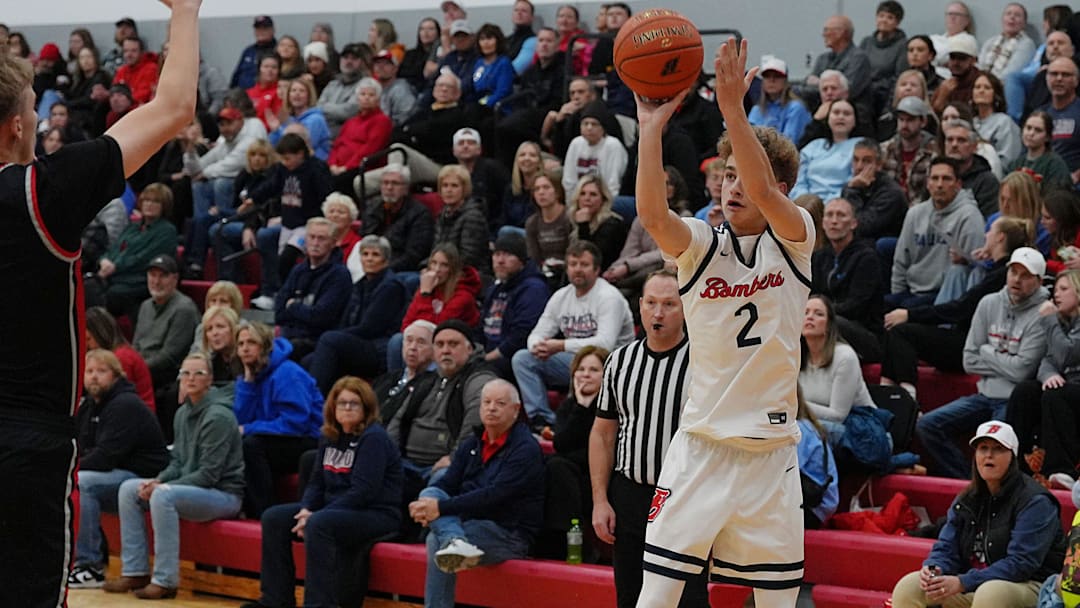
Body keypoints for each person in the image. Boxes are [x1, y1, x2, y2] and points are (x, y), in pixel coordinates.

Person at [633, 37, 815, 605]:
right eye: (726, 175)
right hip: (702, 449)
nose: (734, 186)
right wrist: (650, 131)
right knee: (655, 601)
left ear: (782, 190)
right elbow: (652, 214)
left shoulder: (796, 238)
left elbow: (763, 187)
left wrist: (734, 107)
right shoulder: (702, 245)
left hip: (772, 456)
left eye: (744, 176)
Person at [589, 270, 708, 608]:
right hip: (629, 492)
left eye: (669, 304)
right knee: (630, 594)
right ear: (639, 306)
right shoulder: (619, 361)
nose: (658, 313)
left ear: (686, 307)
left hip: (685, 496)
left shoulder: (704, 361)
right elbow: (602, 433)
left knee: (688, 598)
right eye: (652, 303)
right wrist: (600, 499)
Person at [249, 376, 402, 608]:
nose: (347, 408)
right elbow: (316, 483)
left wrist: (315, 516)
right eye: (342, 403)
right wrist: (305, 509)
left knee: (319, 524)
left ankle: (319, 604)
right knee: (273, 518)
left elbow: (363, 492)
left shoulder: (374, 438)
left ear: (367, 408)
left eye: (354, 403)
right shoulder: (330, 436)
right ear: (333, 407)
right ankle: (275, 600)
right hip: (337, 508)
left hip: (377, 513)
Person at [106, 353, 245, 599]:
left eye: (198, 373)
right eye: (185, 373)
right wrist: (159, 479)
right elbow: (178, 461)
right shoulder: (182, 413)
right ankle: (135, 570)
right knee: (129, 489)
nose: (190, 379)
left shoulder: (218, 417)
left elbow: (209, 475)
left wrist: (163, 487)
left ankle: (165, 580)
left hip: (224, 495)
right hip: (191, 488)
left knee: (162, 496)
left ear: (210, 380)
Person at [890, 420, 1067, 607]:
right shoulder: (966, 499)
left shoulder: (1035, 501)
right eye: (983, 448)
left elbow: (1021, 563)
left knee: (991, 593)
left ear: (1012, 457)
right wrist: (935, 568)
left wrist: (963, 582)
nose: (989, 455)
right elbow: (946, 547)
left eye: (998, 449)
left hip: (1029, 585)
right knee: (910, 587)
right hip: (974, 584)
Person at [409, 379, 544, 608]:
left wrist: (438, 509)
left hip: (509, 534)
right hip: (469, 523)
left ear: (515, 410)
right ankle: (455, 540)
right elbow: (448, 484)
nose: (491, 408)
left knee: (435, 539)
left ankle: (453, 540)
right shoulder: (472, 443)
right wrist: (427, 503)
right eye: (486, 402)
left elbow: (494, 496)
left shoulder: (526, 449)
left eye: (500, 403)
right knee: (432, 488)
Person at [916, 247, 1049, 479]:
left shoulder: (1043, 314)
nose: (1017, 280)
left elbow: (1021, 372)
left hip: (1012, 400)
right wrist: (1005, 361)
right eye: (1013, 272)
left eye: (1025, 275)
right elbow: (968, 360)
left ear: (1038, 281)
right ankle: (966, 481)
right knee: (927, 425)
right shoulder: (989, 303)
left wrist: (986, 350)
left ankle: (984, 486)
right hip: (983, 394)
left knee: (991, 442)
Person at [882, 216, 1033, 404]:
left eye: (990, 231)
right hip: (969, 339)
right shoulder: (996, 270)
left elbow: (961, 308)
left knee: (902, 332)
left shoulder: (1001, 275)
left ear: (1000, 237)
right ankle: (886, 391)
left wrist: (910, 315)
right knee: (896, 332)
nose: (986, 235)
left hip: (973, 347)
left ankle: (908, 400)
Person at [68, 349, 169, 589]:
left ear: (116, 375)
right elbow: (80, 446)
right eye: (89, 371)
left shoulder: (125, 405)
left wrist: (70, 469)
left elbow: (105, 458)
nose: (94, 377)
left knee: (82, 482)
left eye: (101, 371)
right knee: (77, 480)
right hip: (117, 475)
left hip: (144, 476)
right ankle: (78, 560)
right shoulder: (90, 406)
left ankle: (90, 566)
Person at [512, 241, 635, 428]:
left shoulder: (609, 297)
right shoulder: (561, 297)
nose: (578, 270)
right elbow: (536, 334)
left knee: (586, 364)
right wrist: (539, 346)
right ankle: (542, 420)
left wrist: (560, 346)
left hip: (611, 365)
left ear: (596, 269)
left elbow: (604, 344)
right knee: (522, 359)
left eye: (584, 265)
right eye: (573, 265)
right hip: (575, 362)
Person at [234, 322, 324, 518]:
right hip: (278, 436)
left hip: (308, 439)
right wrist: (247, 384)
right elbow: (241, 419)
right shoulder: (252, 375)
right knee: (241, 442)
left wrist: (248, 428)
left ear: (265, 346)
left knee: (251, 445)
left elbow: (295, 423)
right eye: (240, 344)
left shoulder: (287, 372)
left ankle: (264, 512)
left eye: (251, 342)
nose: (245, 348)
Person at [304, 235, 409, 393]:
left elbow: (369, 328)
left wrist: (333, 336)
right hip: (357, 342)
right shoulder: (360, 285)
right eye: (365, 254)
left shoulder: (391, 287)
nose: (369, 259)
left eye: (375, 255)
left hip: (377, 348)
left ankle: (313, 402)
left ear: (386, 260)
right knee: (308, 360)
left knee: (329, 340)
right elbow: (345, 322)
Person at [1007, 270, 1080, 489]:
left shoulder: (1056, 322)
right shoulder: (1062, 322)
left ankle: (1061, 469)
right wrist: (1049, 374)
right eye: (1055, 289)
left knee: (1055, 395)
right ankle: (1016, 466)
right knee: (1026, 391)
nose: (1056, 295)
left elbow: (1068, 354)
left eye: (1064, 289)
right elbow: (1049, 359)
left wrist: (1049, 320)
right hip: (1069, 387)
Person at [538, 345, 608, 559]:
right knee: (554, 467)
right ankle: (570, 541)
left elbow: (594, 453)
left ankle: (566, 544)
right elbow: (562, 443)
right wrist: (582, 407)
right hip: (572, 482)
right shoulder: (570, 406)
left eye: (594, 370)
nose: (586, 374)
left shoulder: (612, 408)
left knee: (558, 466)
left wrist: (587, 409)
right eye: (581, 369)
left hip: (601, 481)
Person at [890, 156, 985, 308]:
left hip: (944, 295)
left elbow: (978, 268)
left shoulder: (970, 216)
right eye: (935, 178)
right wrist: (897, 293)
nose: (940, 184)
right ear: (928, 184)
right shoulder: (915, 213)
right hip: (912, 290)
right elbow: (901, 259)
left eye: (946, 179)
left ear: (958, 184)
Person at [87, 183, 179, 325]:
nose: (149, 204)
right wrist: (104, 260)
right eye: (146, 200)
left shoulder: (167, 231)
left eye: (155, 201)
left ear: (164, 206)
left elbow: (143, 258)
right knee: (87, 286)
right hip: (115, 276)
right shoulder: (133, 227)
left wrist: (115, 266)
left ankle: (104, 334)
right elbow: (113, 249)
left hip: (139, 280)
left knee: (113, 294)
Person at [811, 198, 884, 361]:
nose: (834, 221)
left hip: (863, 332)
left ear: (853, 223)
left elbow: (857, 306)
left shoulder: (867, 258)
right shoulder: (819, 257)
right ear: (823, 223)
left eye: (841, 215)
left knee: (827, 322)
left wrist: (822, 313)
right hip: (828, 321)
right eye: (829, 215)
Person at [799, 295, 875, 443]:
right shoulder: (796, 357)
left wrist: (797, 405)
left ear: (829, 325)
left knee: (799, 430)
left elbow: (838, 416)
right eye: (805, 312)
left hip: (860, 432)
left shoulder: (845, 357)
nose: (810, 317)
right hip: (816, 424)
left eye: (818, 314)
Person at [273, 217, 353, 358]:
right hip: (289, 336)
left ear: (333, 243)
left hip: (317, 343)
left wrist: (292, 306)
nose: (315, 243)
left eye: (322, 239)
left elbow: (320, 318)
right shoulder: (298, 270)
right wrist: (303, 312)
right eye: (312, 237)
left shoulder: (340, 275)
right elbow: (279, 311)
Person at [481, 232, 549, 380]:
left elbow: (522, 334)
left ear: (521, 260)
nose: (500, 260)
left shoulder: (533, 288)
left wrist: (487, 358)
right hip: (490, 353)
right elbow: (481, 325)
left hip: (512, 358)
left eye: (507, 255)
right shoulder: (496, 288)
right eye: (497, 254)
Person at [131, 253, 200, 397]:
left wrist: (137, 369)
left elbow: (169, 356)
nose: (156, 281)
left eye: (162, 276)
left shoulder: (184, 308)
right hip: (142, 369)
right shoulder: (145, 306)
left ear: (175, 279)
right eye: (152, 275)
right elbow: (136, 344)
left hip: (165, 376)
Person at [359, 164, 435, 274]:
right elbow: (363, 239)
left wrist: (383, 269)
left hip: (398, 269)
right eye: (385, 183)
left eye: (395, 183)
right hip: (369, 264)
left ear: (406, 189)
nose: (389, 187)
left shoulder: (420, 214)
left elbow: (414, 255)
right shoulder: (372, 207)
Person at [327, 77, 392, 195]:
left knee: (337, 182)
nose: (366, 98)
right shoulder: (350, 122)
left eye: (371, 95)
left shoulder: (382, 121)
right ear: (357, 98)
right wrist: (332, 164)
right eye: (363, 94)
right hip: (339, 168)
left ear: (378, 100)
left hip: (362, 167)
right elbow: (337, 146)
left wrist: (346, 167)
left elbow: (371, 149)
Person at [790, 99, 863, 202]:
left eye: (846, 114)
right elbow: (798, 180)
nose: (841, 117)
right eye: (836, 112)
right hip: (806, 206)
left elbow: (855, 182)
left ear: (855, 120)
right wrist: (806, 203)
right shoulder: (813, 146)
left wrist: (828, 203)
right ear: (828, 118)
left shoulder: (860, 146)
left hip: (841, 205)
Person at [86, 305, 155, 411]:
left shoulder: (122, 357)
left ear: (101, 335)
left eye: (88, 339)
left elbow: (117, 398)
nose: (86, 346)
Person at [840, 138, 907, 243]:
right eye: (855, 160)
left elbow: (860, 227)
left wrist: (853, 190)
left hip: (879, 249)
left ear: (879, 165)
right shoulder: (851, 186)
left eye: (866, 161)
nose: (859, 166)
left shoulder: (891, 193)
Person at [561, 100, 628, 197]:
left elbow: (613, 183)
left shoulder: (613, 145)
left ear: (603, 128)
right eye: (585, 123)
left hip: (605, 199)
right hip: (578, 199)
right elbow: (569, 180)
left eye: (594, 124)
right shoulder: (576, 143)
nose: (589, 128)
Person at [432, 164, 490, 274]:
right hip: (443, 269)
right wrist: (426, 266)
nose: (449, 190)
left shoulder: (473, 217)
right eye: (445, 185)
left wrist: (438, 269)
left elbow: (469, 257)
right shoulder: (442, 215)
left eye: (454, 186)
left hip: (468, 274)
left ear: (465, 189)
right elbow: (435, 249)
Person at [795, 388, 839, 530]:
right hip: (814, 502)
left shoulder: (799, 430)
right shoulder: (805, 424)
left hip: (815, 507)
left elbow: (784, 473)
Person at [568, 174, 627, 272]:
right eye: (582, 194)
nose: (587, 198)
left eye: (593, 194)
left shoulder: (612, 224)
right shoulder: (574, 219)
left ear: (603, 199)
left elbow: (591, 257)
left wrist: (583, 225)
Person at [747, 56, 811, 146]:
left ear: (785, 80)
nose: (771, 80)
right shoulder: (757, 109)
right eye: (767, 76)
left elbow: (789, 143)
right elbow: (748, 138)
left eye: (777, 76)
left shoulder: (796, 108)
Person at [858, 1, 909, 113]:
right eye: (881, 16)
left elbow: (899, 78)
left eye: (890, 17)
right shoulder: (866, 42)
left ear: (897, 22)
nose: (884, 20)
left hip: (883, 96)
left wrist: (889, 108)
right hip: (863, 93)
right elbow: (857, 69)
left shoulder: (902, 45)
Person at [1006, 110, 1072, 193]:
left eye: (1038, 130)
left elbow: (1058, 198)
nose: (1031, 133)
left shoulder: (1055, 165)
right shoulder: (1015, 164)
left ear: (1047, 137)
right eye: (1028, 128)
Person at [267, 78, 331, 161]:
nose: (297, 94)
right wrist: (275, 130)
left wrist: (279, 131)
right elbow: (273, 146)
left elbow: (299, 146)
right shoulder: (289, 119)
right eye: (293, 90)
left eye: (302, 91)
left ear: (309, 96)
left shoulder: (316, 119)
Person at [524, 173, 573, 280]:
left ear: (557, 192)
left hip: (568, 272)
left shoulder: (570, 218)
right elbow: (534, 258)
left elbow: (574, 251)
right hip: (544, 272)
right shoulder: (532, 223)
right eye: (537, 189)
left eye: (546, 187)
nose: (541, 192)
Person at [1039, 57, 1080, 184]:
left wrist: (1076, 176)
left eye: (1066, 74)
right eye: (1054, 74)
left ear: (1076, 81)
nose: (1059, 78)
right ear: (1047, 79)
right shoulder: (1039, 114)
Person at [971, 73, 1021, 166]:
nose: (981, 91)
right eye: (977, 87)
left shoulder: (1004, 122)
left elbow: (1008, 160)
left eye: (987, 88)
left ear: (995, 94)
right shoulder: (971, 122)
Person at [978, 3, 1036, 81]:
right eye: (1008, 14)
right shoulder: (990, 41)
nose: (1012, 17)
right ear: (1002, 19)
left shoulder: (1027, 44)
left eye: (1017, 15)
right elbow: (980, 66)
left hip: (1003, 86)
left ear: (1024, 23)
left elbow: (1012, 71)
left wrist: (991, 84)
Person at [931, 33, 982, 116]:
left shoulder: (982, 82)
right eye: (953, 57)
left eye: (962, 58)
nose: (955, 63)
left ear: (973, 60)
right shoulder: (946, 85)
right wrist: (941, 97)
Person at [231, 15, 277, 90]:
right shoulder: (248, 51)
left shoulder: (278, 50)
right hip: (242, 95)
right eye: (258, 29)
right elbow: (236, 76)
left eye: (264, 28)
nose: (261, 32)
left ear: (273, 30)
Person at [1043, 190, 1080, 277]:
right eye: (1042, 216)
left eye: (1047, 218)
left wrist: (1045, 263)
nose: (1042, 221)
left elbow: (1070, 269)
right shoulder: (1057, 236)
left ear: (1062, 219)